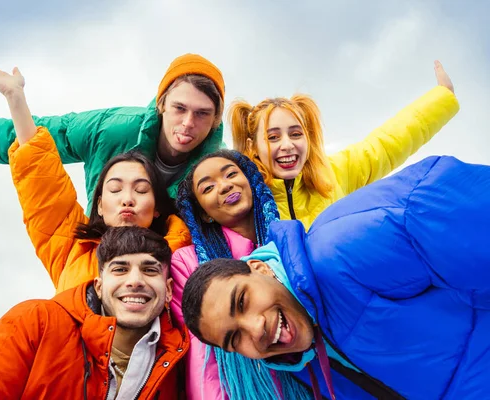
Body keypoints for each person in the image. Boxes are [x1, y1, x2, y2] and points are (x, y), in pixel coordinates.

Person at [182, 155, 490, 399]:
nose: (255, 328)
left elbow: (452, 204)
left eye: (243, 301)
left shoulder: (343, 248)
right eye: (234, 338)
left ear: (261, 269)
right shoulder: (304, 362)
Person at [0, 55, 192, 292]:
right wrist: (15, 98)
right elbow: (42, 180)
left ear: (157, 206)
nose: (127, 198)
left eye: (140, 190)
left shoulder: (184, 253)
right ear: (99, 206)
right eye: (115, 189)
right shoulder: (70, 248)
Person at [0, 53, 226, 213]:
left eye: (201, 114)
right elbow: (42, 135)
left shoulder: (216, 169)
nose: (187, 124)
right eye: (179, 109)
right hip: (105, 252)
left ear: (214, 120)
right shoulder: (112, 129)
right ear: (161, 104)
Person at [0, 226, 189, 400]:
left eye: (149, 270)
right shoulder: (35, 321)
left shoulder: (181, 358)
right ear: (99, 286)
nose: (135, 281)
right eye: (120, 270)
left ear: (168, 290)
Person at [229, 61, 459, 229]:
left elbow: (387, 144)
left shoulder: (334, 174)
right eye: (273, 137)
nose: (287, 145)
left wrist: (441, 98)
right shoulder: (243, 198)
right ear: (253, 146)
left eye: (296, 134)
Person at [170, 150, 307, 399]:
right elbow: (205, 357)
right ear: (203, 213)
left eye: (231, 174)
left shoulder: (290, 238)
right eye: (208, 187)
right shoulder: (188, 262)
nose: (224, 186)